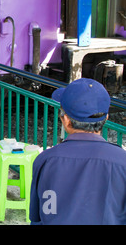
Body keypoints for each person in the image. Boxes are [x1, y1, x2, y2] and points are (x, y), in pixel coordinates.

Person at [30, 78, 126, 225]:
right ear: (106, 118)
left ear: (66, 120)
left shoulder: (45, 160)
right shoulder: (122, 161)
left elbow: (39, 216)